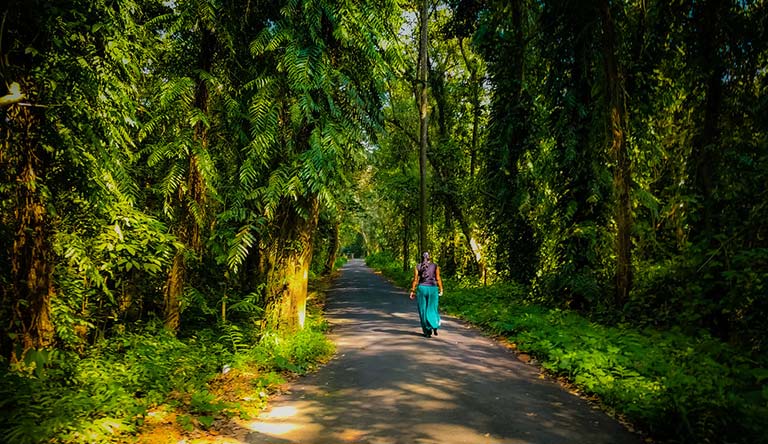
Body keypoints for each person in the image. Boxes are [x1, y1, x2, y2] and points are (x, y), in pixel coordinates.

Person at [409, 252, 444, 338]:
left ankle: (427, 331)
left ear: (421, 258)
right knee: (432, 308)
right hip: (433, 289)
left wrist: (412, 291)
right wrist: (441, 289)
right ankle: (434, 325)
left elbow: (415, 280)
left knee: (423, 310)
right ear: (430, 258)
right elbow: (438, 278)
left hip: (422, 289)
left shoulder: (418, 266)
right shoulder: (435, 266)